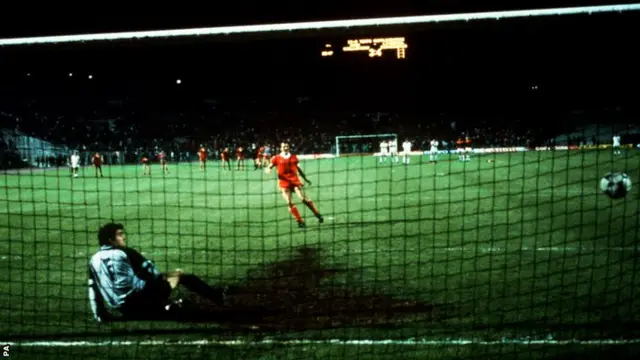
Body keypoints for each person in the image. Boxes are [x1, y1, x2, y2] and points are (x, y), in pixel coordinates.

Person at [88, 223, 227, 322]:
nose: (124, 237)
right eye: (120, 235)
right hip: (139, 301)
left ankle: (166, 307)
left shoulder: (93, 260)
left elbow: (93, 289)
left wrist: (99, 314)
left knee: (158, 285)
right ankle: (218, 298)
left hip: (122, 309)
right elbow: (153, 274)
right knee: (179, 275)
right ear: (110, 240)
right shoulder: (126, 252)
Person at [265, 142, 323, 229]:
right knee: (289, 202)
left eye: (287, 146)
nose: (286, 147)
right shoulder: (276, 158)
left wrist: (305, 179)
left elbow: (299, 169)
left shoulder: (294, 157)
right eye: (284, 146)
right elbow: (269, 167)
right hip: (284, 183)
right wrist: (268, 170)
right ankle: (300, 221)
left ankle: (317, 214)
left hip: (294, 181)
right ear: (280, 148)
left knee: (303, 199)